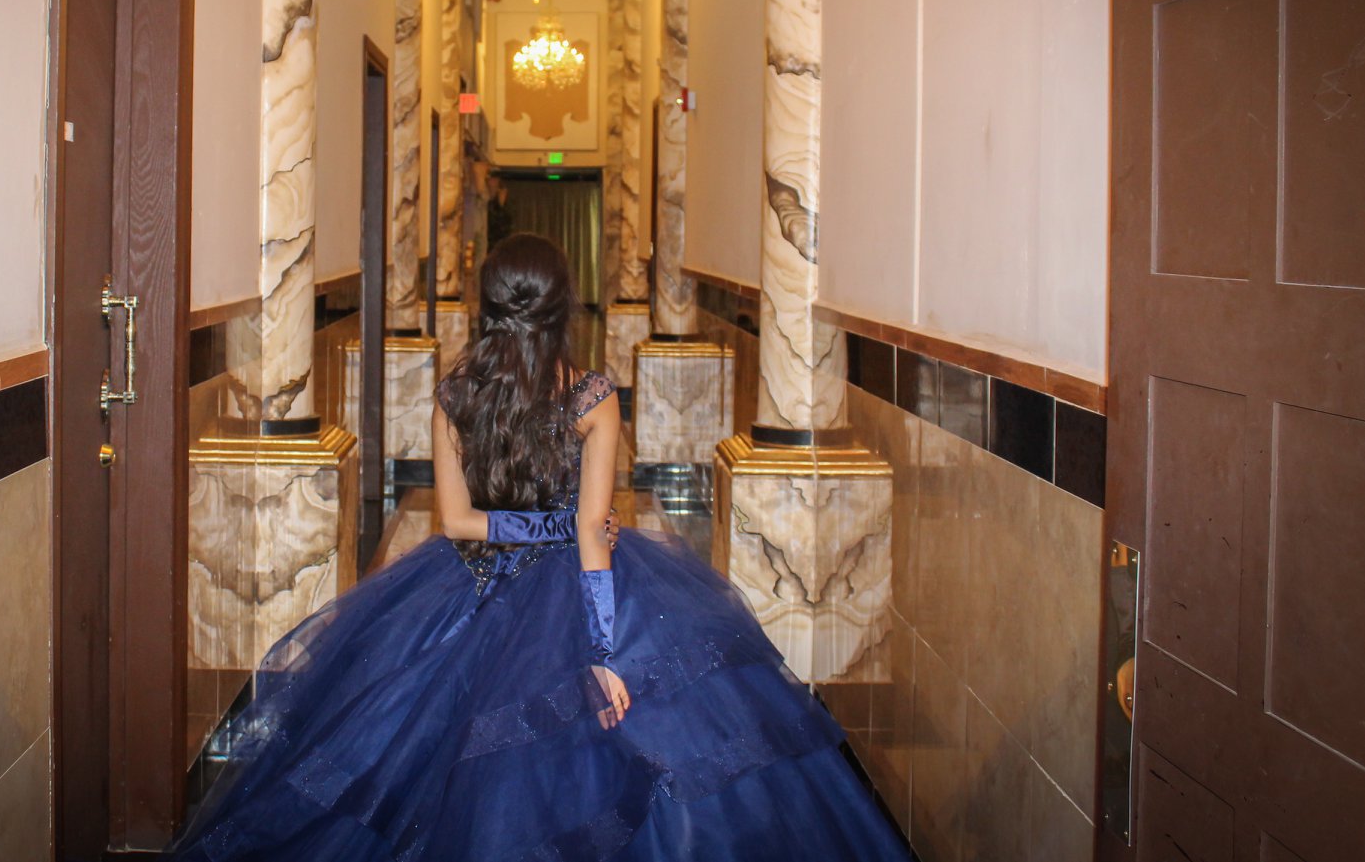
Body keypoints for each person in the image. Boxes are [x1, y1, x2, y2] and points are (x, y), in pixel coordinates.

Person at [171, 235, 910, 861]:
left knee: (408, 753)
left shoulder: (455, 395)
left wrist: (537, 530)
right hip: (579, 579)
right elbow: (590, 528)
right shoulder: (593, 397)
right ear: (562, 310)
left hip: (470, 581)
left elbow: (457, 521)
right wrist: (603, 651)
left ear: (486, 306)